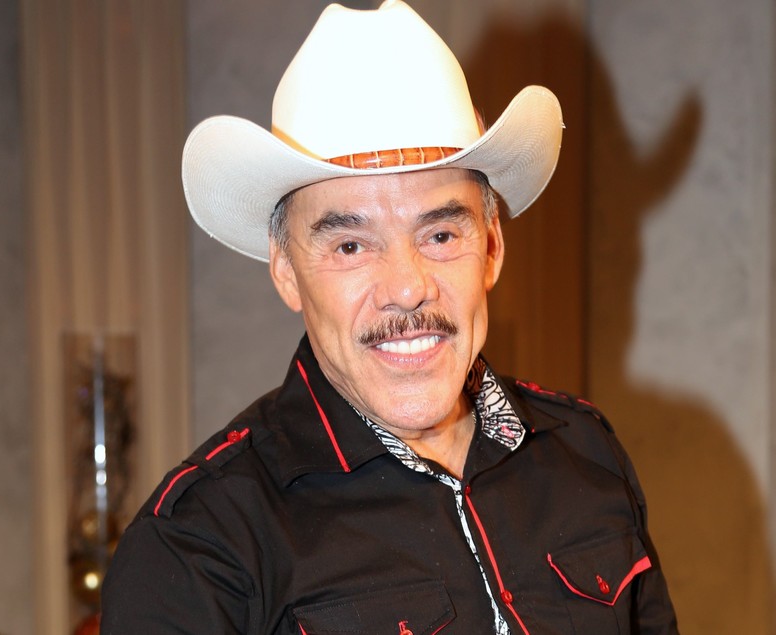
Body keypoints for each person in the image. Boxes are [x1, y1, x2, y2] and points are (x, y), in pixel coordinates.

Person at [101, 1, 678, 633]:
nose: (406, 289)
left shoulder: (585, 453)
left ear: (491, 249)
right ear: (286, 270)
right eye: (351, 245)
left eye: (440, 235)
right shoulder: (199, 544)